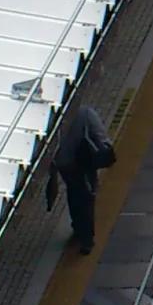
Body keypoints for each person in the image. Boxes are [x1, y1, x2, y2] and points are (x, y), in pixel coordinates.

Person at [43, 104, 116, 255]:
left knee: (74, 192)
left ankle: (78, 227)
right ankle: (86, 238)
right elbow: (100, 134)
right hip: (83, 161)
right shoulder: (84, 112)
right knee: (87, 197)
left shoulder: (50, 117)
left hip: (65, 164)